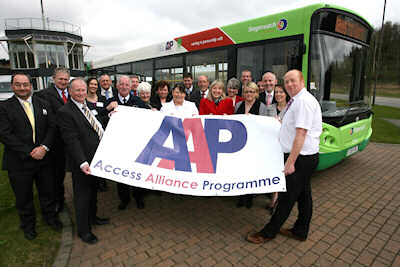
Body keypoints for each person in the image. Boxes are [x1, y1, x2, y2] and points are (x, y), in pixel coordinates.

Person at [246, 70, 322, 244]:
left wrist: (290, 162)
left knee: (287, 198)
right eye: (286, 82)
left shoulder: (303, 102)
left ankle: (268, 232)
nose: (289, 85)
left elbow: (301, 134)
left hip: (300, 158)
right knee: (304, 196)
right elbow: (293, 126)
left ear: (302, 81)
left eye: (293, 81)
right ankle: (300, 230)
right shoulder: (296, 101)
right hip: (303, 157)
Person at [0, 73, 62, 240]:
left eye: (26, 84)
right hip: (19, 162)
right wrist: (29, 151)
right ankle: (28, 226)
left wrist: (44, 147)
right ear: (12, 86)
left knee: (48, 192)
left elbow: (52, 127)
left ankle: (50, 219)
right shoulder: (4, 107)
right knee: (24, 197)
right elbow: (5, 134)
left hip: (44, 159)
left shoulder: (43, 103)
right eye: (18, 85)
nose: (23, 88)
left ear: (31, 85)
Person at [56, 78, 110, 244]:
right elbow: (71, 140)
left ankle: (93, 218)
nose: (81, 93)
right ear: (70, 92)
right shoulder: (65, 112)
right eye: (77, 90)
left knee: (93, 192)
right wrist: (82, 162)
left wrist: (109, 114)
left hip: (96, 160)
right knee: (82, 197)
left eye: (83, 90)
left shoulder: (87, 106)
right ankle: (84, 231)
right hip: (84, 163)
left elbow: (96, 126)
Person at [104, 75, 148, 211]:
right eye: (121, 84)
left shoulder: (138, 102)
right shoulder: (110, 102)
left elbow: (148, 121)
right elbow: (101, 121)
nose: (123, 87)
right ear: (117, 86)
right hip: (118, 146)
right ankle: (124, 199)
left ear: (130, 87)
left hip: (135, 145)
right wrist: (107, 113)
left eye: (126, 85)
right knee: (121, 175)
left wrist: (152, 113)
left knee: (135, 173)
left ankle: (138, 197)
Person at [36, 67, 70, 213]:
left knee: (66, 171)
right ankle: (58, 201)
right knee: (56, 175)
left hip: (70, 141)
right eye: (60, 79)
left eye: (65, 79)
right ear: (53, 79)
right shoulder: (43, 95)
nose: (63, 82)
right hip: (56, 143)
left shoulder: (73, 94)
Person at [234, 81, 268, 208]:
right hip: (240, 143)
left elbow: (264, 124)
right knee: (241, 170)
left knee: (251, 171)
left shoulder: (262, 107)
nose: (249, 94)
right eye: (247, 91)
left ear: (256, 93)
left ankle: (249, 197)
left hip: (254, 144)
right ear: (243, 93)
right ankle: (241, 196)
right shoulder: (238, 105)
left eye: (251, 92)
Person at [265, 83, 291, 212]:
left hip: (285, 145)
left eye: (281, 92)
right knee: (274, 169)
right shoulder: (269, 108)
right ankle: (274, 195)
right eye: (277, 92)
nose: (279, 95)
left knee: (282, 170)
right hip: (271, 145)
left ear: (286, 94)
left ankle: (278, 197)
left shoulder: (291, 109)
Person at [86, 77, 108, 192]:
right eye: (91, 84)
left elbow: (105, 114)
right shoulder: (83, 99)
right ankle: (95, 182)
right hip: (89, 132)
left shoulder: (102, 98)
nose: (93, 86)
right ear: (87, 85)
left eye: (95, 84)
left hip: (102, 131)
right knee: (92, 157)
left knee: (101, 156)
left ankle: (102, 181)